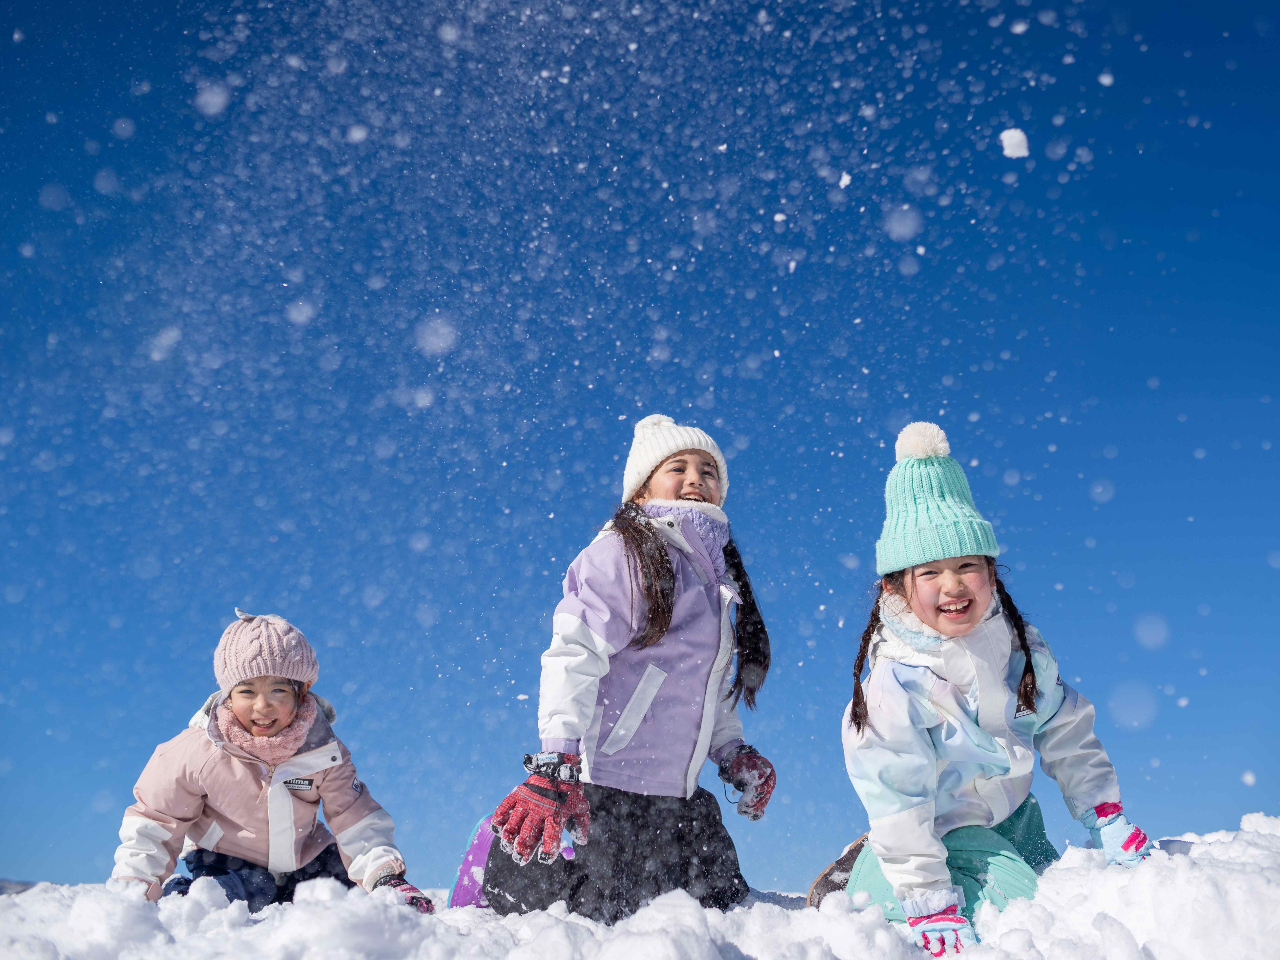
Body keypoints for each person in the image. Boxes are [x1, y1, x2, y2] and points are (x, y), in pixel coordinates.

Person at [448, 414, 777, 923]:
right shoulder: (624, 555)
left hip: (678, 798)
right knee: (592, 911)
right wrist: (558, 758)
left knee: (714, 908)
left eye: (708, 470)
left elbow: (705, 689)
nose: (696, 479)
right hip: (605, 787)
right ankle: (494, 851)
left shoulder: (716, 581)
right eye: (678, 467)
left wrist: (731, 751)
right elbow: (573, 655)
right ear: (642, 491)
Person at [842, 422, 1151, 955]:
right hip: (935, 828)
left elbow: (1061, 725)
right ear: (895, 585)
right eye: (930, 572)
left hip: (1014, 816)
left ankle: (893, 867)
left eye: (967, 566)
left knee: (1055, 891)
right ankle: (873, 874)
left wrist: (1104, 811)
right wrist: (930, 900)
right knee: (1022, 915)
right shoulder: (897, 681)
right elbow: (898, 795)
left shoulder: (1016, 647)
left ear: (992, 571)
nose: (953, 585)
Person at [108, 608, 432, 914]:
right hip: (227, 860)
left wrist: (385, 879)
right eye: (247, 692)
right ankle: (183, 899)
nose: (262, 706)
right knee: (238, 893)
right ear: (227, 695)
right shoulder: (198, 751)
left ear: (302, 692)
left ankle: (389, 894)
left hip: (304, 859)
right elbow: (156, 819)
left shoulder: (323, 752)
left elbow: (353, 817)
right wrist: (134, 888)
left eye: (278, 690)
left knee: (349, 890)